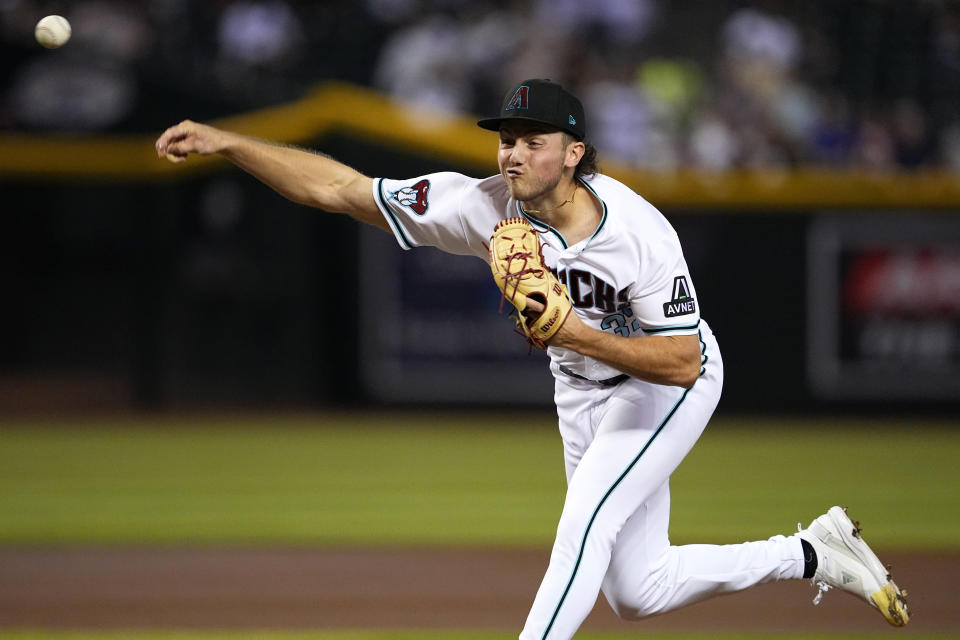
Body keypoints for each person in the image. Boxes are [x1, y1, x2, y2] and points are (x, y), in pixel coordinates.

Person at [155, 78, 909, 638]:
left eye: (532, 140)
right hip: (583, 392)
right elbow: (343, 190)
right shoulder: (480, 205)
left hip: (667, 382)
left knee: (583, 526)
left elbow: (682, 360)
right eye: (506, 138)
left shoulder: (638, 232)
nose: (512, 152)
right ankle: (810, 553)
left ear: (573, 153)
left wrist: (574, 331)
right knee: (638, 591)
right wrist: (231, 143)